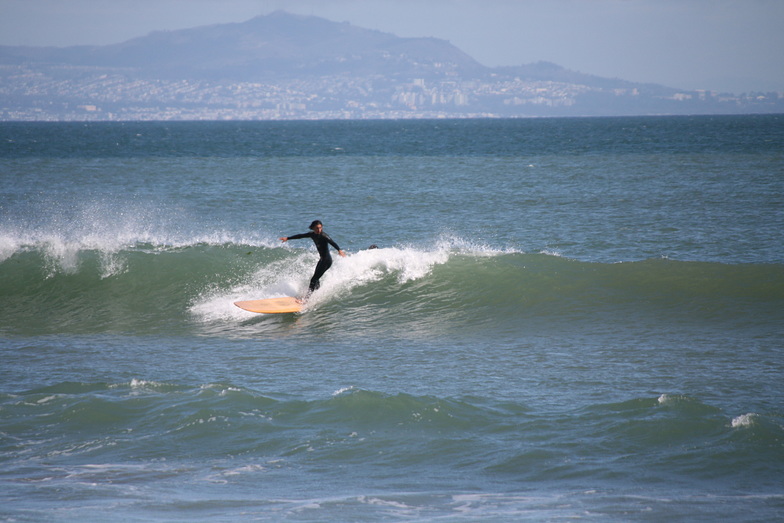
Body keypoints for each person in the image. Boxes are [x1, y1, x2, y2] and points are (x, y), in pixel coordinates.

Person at [280, 220, 346, 297]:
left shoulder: (324, 236)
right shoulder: (312, 234)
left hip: (327, 261)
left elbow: (332, 242)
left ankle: (307, 299)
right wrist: (288, 238)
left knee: (313, 279)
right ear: (313, 228)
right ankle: (317, 293)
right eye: (317, 228)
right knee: (316, 278)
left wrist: (339, 250)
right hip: (322, 260)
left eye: (320, 228)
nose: (319, 230)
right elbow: (300, 236)